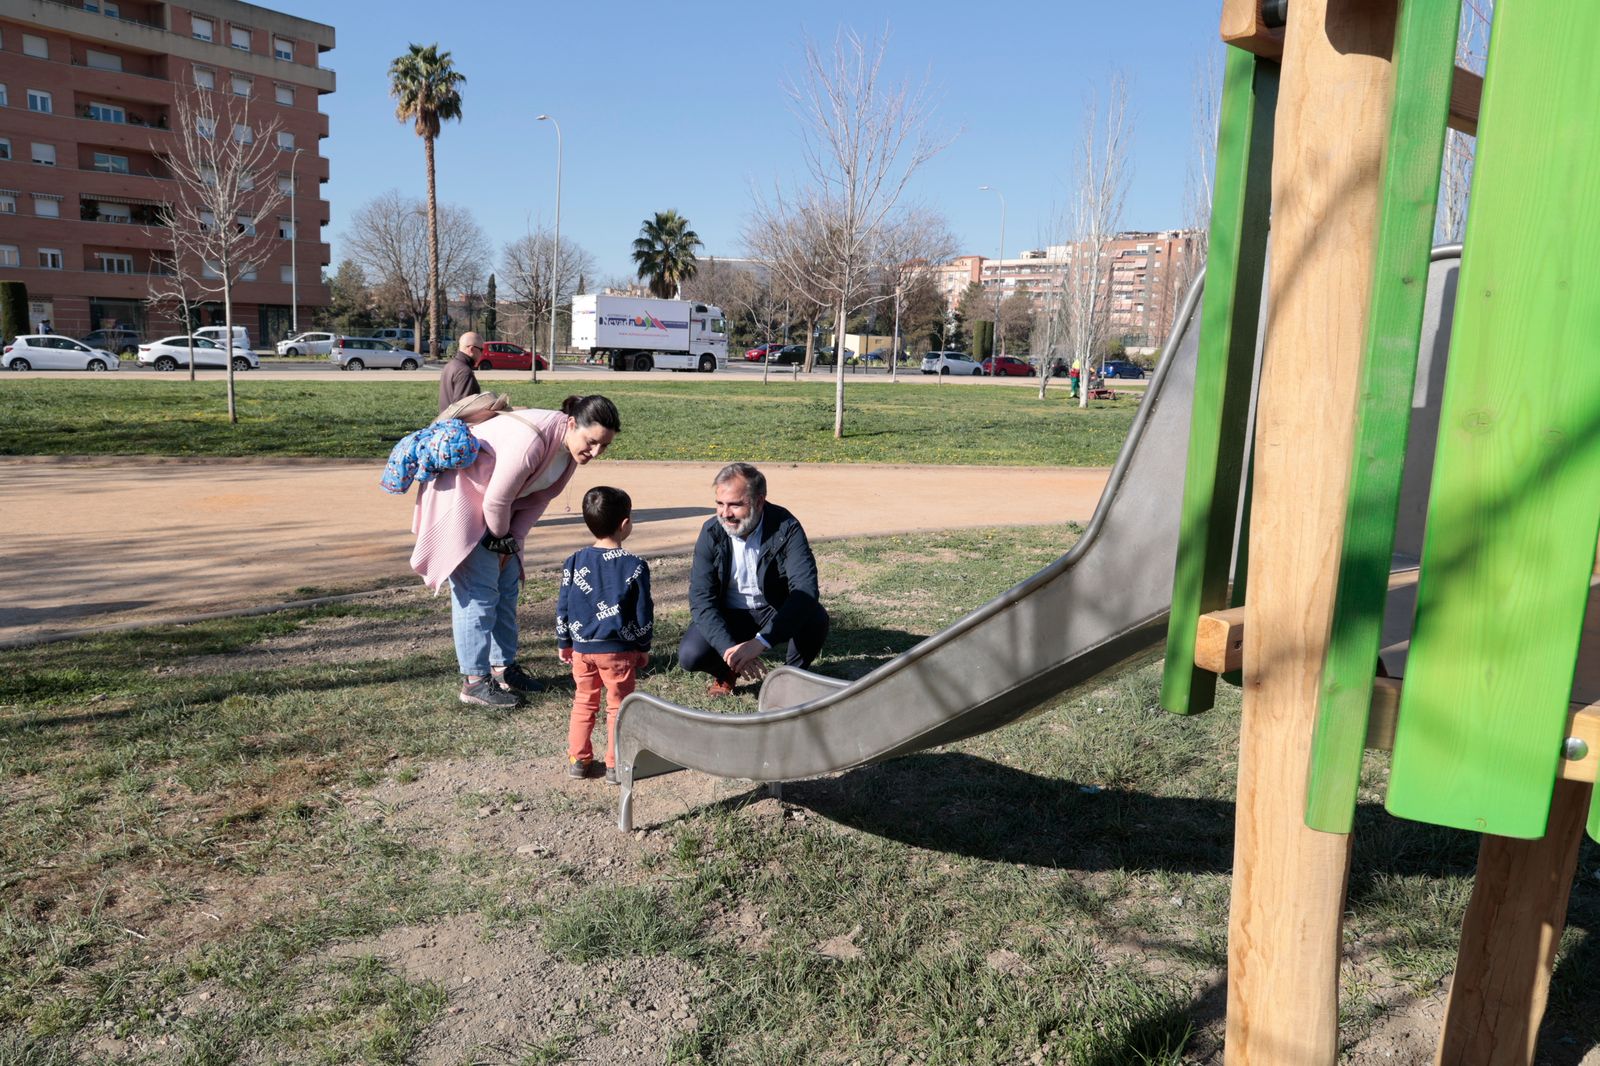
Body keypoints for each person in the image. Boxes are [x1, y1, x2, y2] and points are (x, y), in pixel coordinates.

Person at [410, 394, 622, 708]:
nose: (596, 452)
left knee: (507, 587)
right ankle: (474, 683)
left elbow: (539, 499)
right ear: (572, 423)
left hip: (496, 513)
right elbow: (496, 500)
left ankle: (502, 669)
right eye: (592, 442)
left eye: (604, 446)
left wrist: (512, 544)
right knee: (479, 594)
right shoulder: (532, 441)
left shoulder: (567, 449)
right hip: (463, 503)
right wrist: (502, 541)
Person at [678, 462, 829, 697]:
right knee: (690, 655)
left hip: (773, 608)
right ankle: (727, 671)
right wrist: (731, 652)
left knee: (814, 618)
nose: (725, 513)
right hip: (730, 613)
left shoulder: (786, 527)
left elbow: (806, 589)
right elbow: (701, 600)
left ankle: (791, 677)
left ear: (759, 502)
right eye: (720, 503)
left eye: (735, 505)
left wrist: (760, 642)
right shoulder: (710, 532)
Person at [556, 486, 653, 783]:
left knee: (584, 701)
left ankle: (578, 759)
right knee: (618, 705)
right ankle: (615, 764)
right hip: (618, 651)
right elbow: (643, 611)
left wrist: (564, 641)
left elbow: (563, 605)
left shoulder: (574, 562)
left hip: (582, 648)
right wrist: (643, 645)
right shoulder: (635, 566)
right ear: (625, 524)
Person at [439, 331, 484, 413]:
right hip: (455, 420)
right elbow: (462, 410)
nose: (482, 353)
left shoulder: (449, 365)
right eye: (481, 350)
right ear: (472, 349)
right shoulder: (464, 371)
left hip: (444, 418)